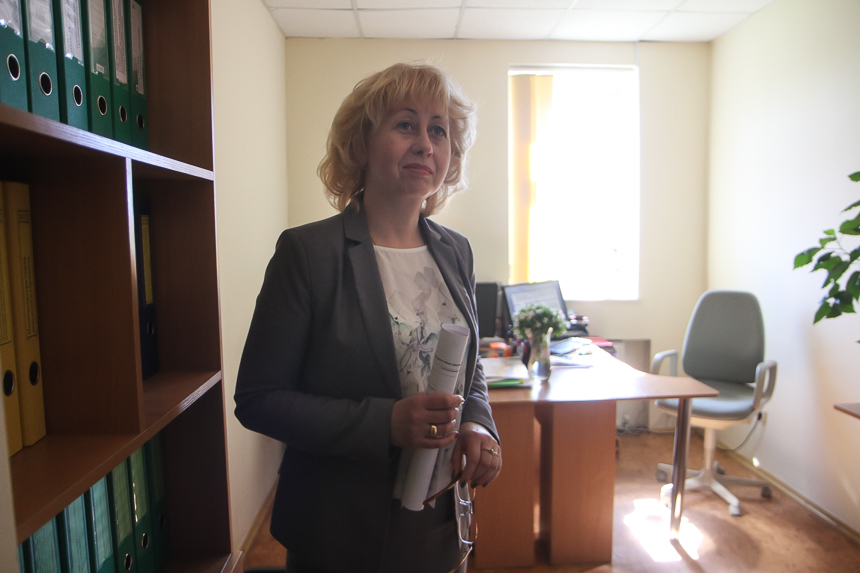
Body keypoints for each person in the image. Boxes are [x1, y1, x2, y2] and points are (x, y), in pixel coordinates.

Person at [234, 62, 501, 573]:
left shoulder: (457, 251)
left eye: (438, 130)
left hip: (438, 525)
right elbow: (259, 400)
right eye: (405, 124)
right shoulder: (308, 253)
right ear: (360, 145)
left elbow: (469, 368)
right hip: (340, 532)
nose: (425, 144)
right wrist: (385, 423)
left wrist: (478, 423)